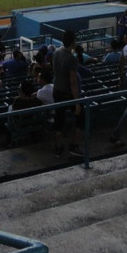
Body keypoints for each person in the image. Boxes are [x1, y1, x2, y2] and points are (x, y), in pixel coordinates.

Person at [50, 29, 83, 158]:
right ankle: (74, 146)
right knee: (81, 118)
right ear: (73, 42)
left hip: (56, 90)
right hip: (67, 93)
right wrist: (77, 103)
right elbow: (73, 82)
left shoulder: (56, 52)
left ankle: (58, 148)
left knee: (59, 119)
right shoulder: (72, 58)